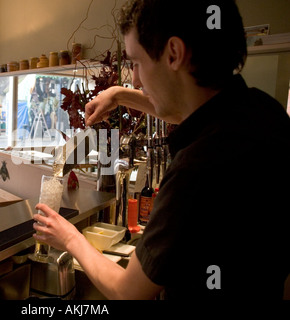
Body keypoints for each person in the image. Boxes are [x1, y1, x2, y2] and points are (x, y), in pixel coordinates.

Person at [33, 0, 290, 299]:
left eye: (137, 63)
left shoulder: (196, 169)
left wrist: (70, 238)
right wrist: (117, 95)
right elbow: (184, 110)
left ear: (174, 54)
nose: (137, 80)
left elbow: (128, 291)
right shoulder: (263, 111)